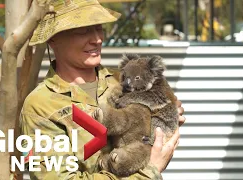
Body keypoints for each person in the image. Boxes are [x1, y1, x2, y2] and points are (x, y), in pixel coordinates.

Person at [20, 0, 185, 179]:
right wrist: (149, 172)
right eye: (83, 30)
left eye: (99, 27)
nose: (97, 39)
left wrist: (167, 116)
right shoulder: (40, 106)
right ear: (53, 38)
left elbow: (161, 132)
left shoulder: (122, 81)